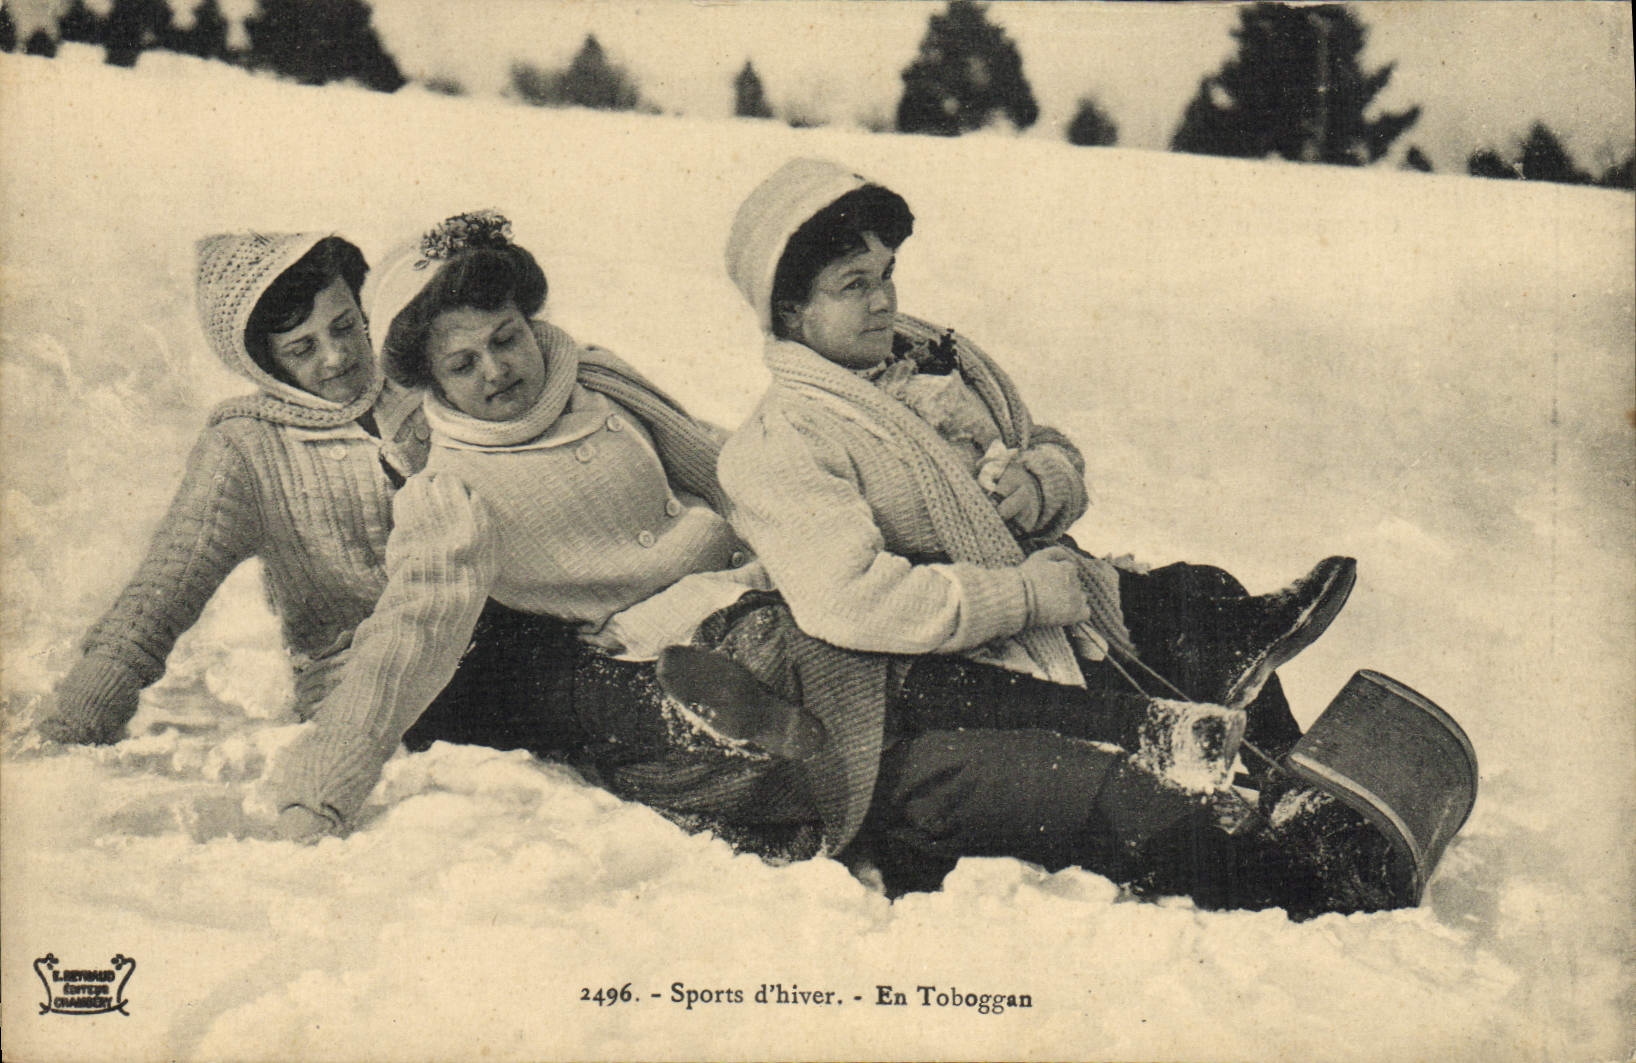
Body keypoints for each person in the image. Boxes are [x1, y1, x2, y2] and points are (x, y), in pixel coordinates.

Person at [716, 158, 1400, 915]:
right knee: (1130, 785)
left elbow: (1044, 441)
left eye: (887, 273)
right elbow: (853, 599)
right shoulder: (785, 442)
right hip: (943, 687)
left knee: (1205, 609)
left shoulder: (930, 372)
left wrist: (1041, 483)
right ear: (788, 312)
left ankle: (1292, 793)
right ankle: (1296, 879)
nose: (883, 301)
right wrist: (1025, 595)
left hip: (1041, 632)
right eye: (853, 285)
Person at [266, 211, 883, 853]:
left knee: (864, 610)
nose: (496, 370)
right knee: (816, 674)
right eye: (463, 363)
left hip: (762, 581)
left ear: (530, 324)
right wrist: (317, 795)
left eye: (505, 340)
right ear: (433, 381)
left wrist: (826, 521)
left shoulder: (598, 378)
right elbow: (409, 634)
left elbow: (725, 467)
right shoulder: (449, 489)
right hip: (667, 647)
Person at [39, 231, 578, 759]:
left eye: (346, 326)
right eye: (303, 348)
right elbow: (157, 601)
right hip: (372, 702)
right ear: (263, 361)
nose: (338, 357)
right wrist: (69, 729)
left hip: (519, 651)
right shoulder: (246, 448)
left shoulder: (429, 376)